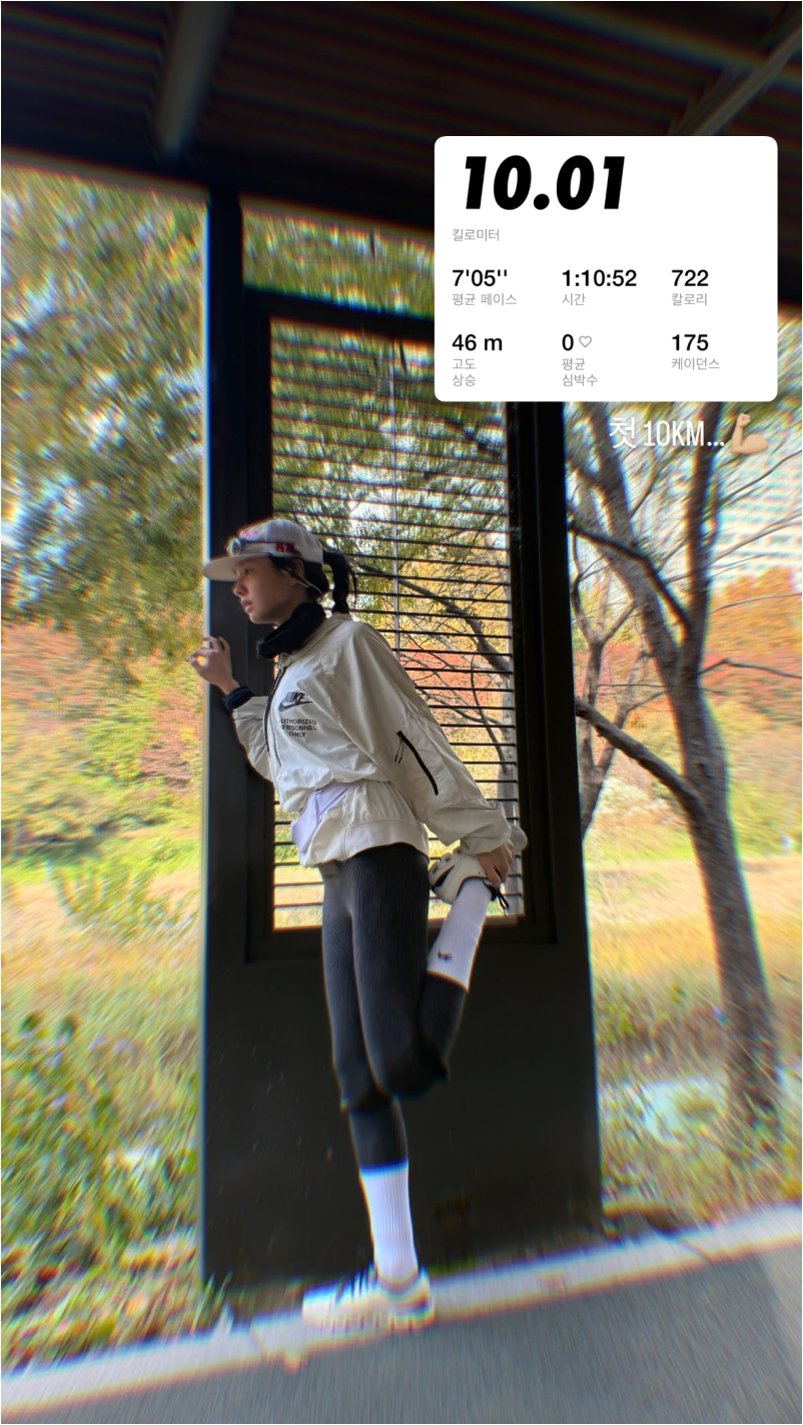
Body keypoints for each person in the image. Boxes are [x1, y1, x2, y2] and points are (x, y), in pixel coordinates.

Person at [190, 518, 526, 1334]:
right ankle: (399, 1283)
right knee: (359, 1080)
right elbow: (279, 761)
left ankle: (469, 897)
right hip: (336, 868)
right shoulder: (294, 670)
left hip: (378, 851)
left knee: (401, 1063)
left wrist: (483, 836)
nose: (237, 585)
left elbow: (414, 745)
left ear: (294, 570)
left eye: (247, 569)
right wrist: (231, 688)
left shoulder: (346, 644)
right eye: (233, 575)